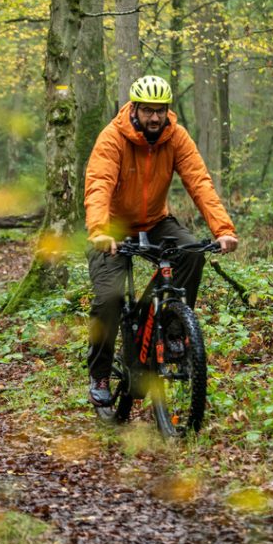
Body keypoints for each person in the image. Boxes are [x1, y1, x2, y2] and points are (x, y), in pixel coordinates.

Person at [83, 75, 239, 406]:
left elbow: (199, 181)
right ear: (135, 109)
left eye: (161, 111)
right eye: (149, 111)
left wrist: (223, 229)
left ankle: (169, 332)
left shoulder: (175, 137)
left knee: (192, 253)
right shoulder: (112, 138)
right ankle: (99, 373)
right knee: (110, 297)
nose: (155, 118)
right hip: (110, 225)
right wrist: (98, 230)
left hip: (155, 220)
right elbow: (99, 183)